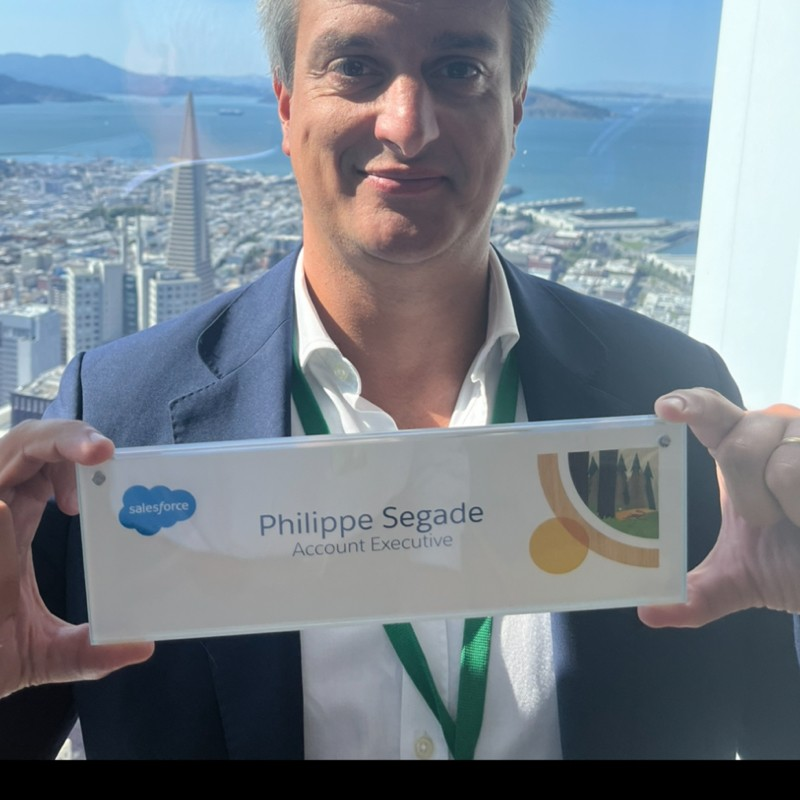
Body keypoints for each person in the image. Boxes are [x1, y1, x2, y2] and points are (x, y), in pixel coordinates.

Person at [1, 0, 800, 759]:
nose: (407, 125)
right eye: (355, 66)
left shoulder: (671, 401)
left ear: (517, 106)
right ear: (286, 104)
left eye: (460, 70)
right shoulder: (116, 420)